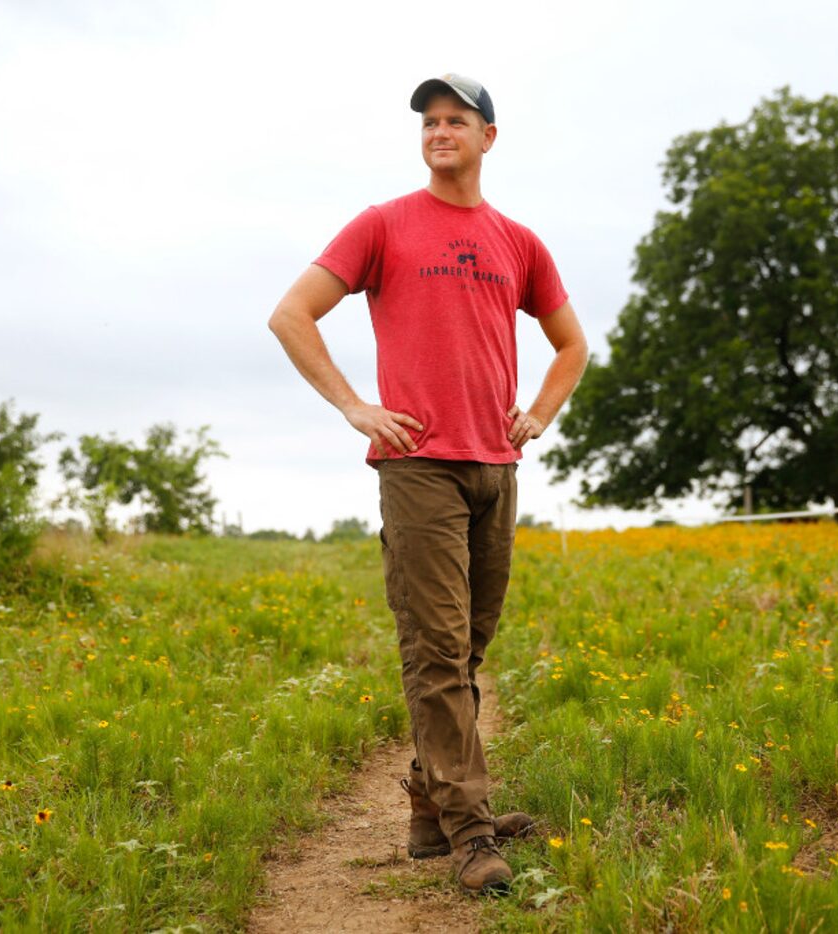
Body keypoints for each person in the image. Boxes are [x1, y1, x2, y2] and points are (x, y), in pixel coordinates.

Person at [267, 73, 588, 895]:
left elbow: (570, 346)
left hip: (496, 467)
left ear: (488, 137)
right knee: (436, 650)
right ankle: (470, 832)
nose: (439, 131)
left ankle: (426, 806)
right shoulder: (384, 224)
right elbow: (291, 314)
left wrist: (539, 415)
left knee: (469, 648)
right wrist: (354, 406)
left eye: (457, 120)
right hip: (419, 468)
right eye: (429, 121)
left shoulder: (518, 242)